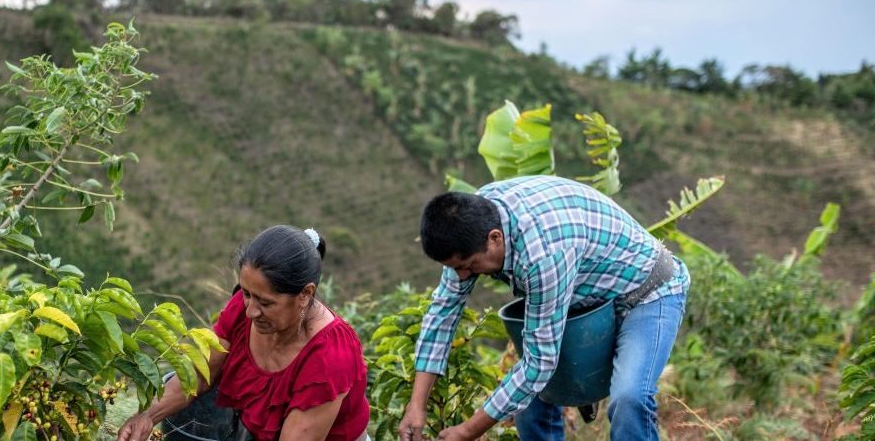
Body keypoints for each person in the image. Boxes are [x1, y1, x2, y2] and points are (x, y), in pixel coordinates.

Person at [398, 175, 689, 441]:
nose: (463, 275)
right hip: (588, 301)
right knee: (529, 404)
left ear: (495, 238)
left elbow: (539, 365)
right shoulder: (471, 222)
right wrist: (416, 406)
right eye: (456, 268)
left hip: (647, 292)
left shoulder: (543, 253)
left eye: (470, 265)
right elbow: (443, 312)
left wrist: (467, 431)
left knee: (629, 398)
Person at [118, 225, 371, 441]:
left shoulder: (329, 357)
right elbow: (201, 373)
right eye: (247, 294)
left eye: (266, 303)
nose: (250, 311)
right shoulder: (243, 307)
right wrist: (147, 416)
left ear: (305, 294)